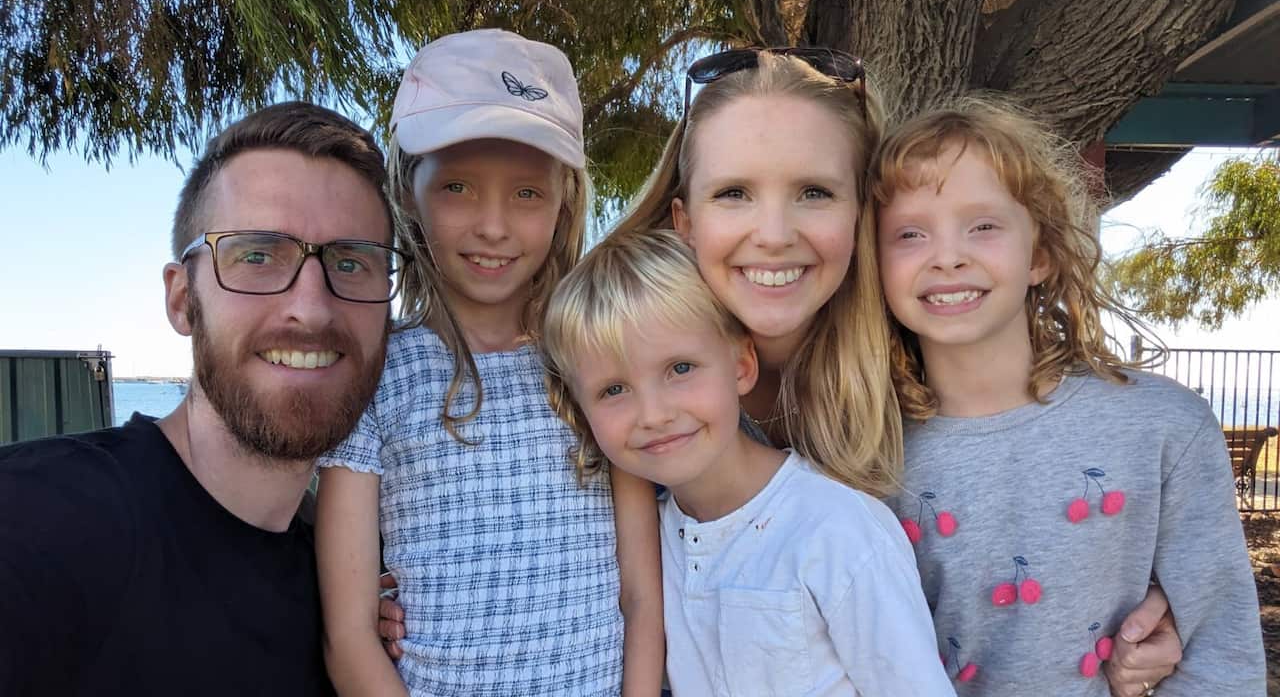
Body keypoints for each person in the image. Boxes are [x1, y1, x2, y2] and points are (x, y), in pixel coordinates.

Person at [377, 46, 1185, 694]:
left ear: (863, 212)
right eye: (734, 193)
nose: (773, 233)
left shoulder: (932, 382)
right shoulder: (627, 360)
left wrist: (1143, 612)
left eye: (812, 192)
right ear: (684, 217)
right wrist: (402, 589)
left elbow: (1039, 551)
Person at [870, 95, 1266, 695]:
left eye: (983, 226)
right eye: (909, 233)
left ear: (1043, 253)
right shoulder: (857, 448)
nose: (947, 256)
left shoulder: (1163, 428)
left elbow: (1222, 653)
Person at [0, 100, 398, 696]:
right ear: (183, 298)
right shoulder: (42, 526)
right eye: (258, 256)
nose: (313, 307)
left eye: (351, 262)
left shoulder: (348, 600)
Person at [314, 29, 662, 697]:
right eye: (458, 187)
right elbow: (350, 635)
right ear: (407, 192)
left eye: (527, 193)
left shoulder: (600, 361)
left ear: (564, 202)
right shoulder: (376, 376)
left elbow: (641, 599)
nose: (494, 225)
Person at [541, 229, 957, 695]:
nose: (653, 415)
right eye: (613, 390)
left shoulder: (838, 534)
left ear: (741, 365)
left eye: (680, 368)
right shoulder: (650, 546)